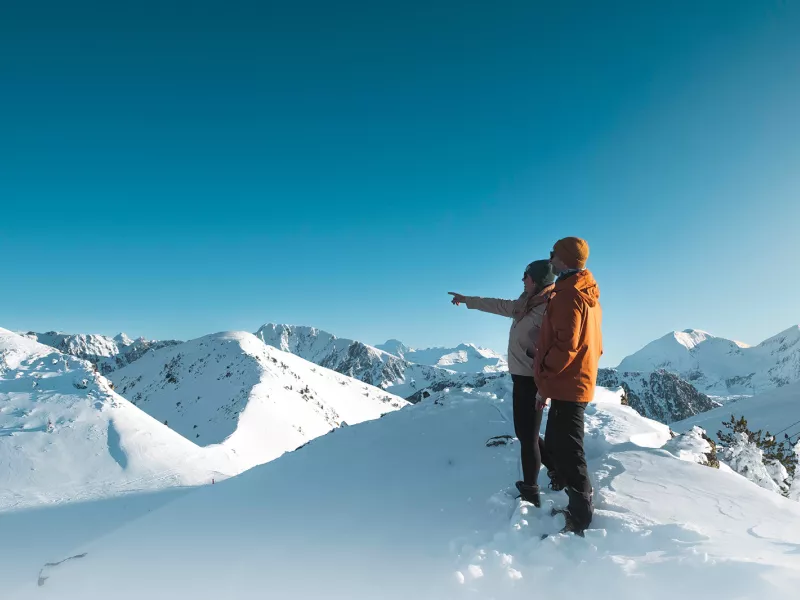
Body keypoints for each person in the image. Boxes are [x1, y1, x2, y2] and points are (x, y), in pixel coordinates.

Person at [448, 260, 557, 507]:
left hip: (534, 379)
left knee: (527, 436)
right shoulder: (526, 304)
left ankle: (531, 490)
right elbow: (498, 305)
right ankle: (556, 470)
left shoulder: (550, 306)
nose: (522, 280)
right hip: (522, 376)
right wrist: (467, 301)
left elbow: (561, 343)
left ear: (538, 280)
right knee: (526, 433)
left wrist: (546, 382)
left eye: (526, 276)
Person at [534, 237, 602, 534]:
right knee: (561, 443)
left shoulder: (567, 295)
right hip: (577, 378)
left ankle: (580, 515)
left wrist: (544, 379)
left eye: (554, 253)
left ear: (564, 259)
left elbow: (566, 345)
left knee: (568, 448)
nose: (550, 257)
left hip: (567, 381)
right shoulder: (586, 292)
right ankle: (578, 503)